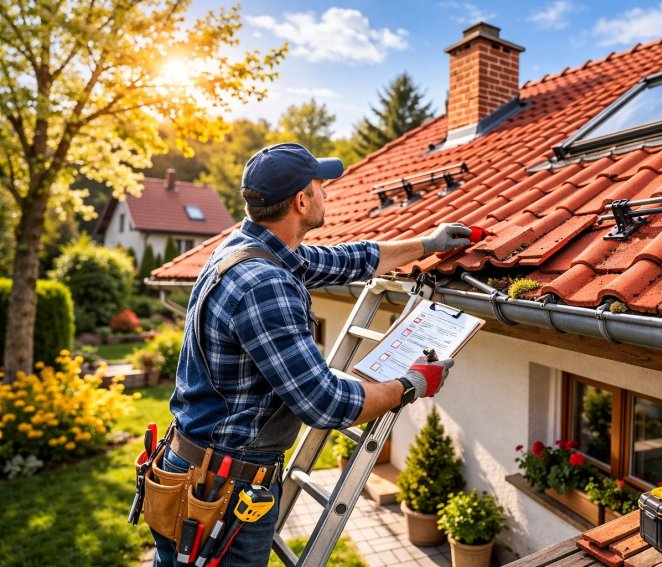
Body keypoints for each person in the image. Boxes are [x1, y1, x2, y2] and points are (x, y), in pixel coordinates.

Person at [150, 142, 472, 566]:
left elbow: (344, 259)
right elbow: (326, 404)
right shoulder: (265, 284)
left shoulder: (248, 249)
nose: (328, 194)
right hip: (222, 489)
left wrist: (427, 243)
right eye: (321, 186)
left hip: (193, 466)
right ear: (302, 201)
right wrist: (410, 384)